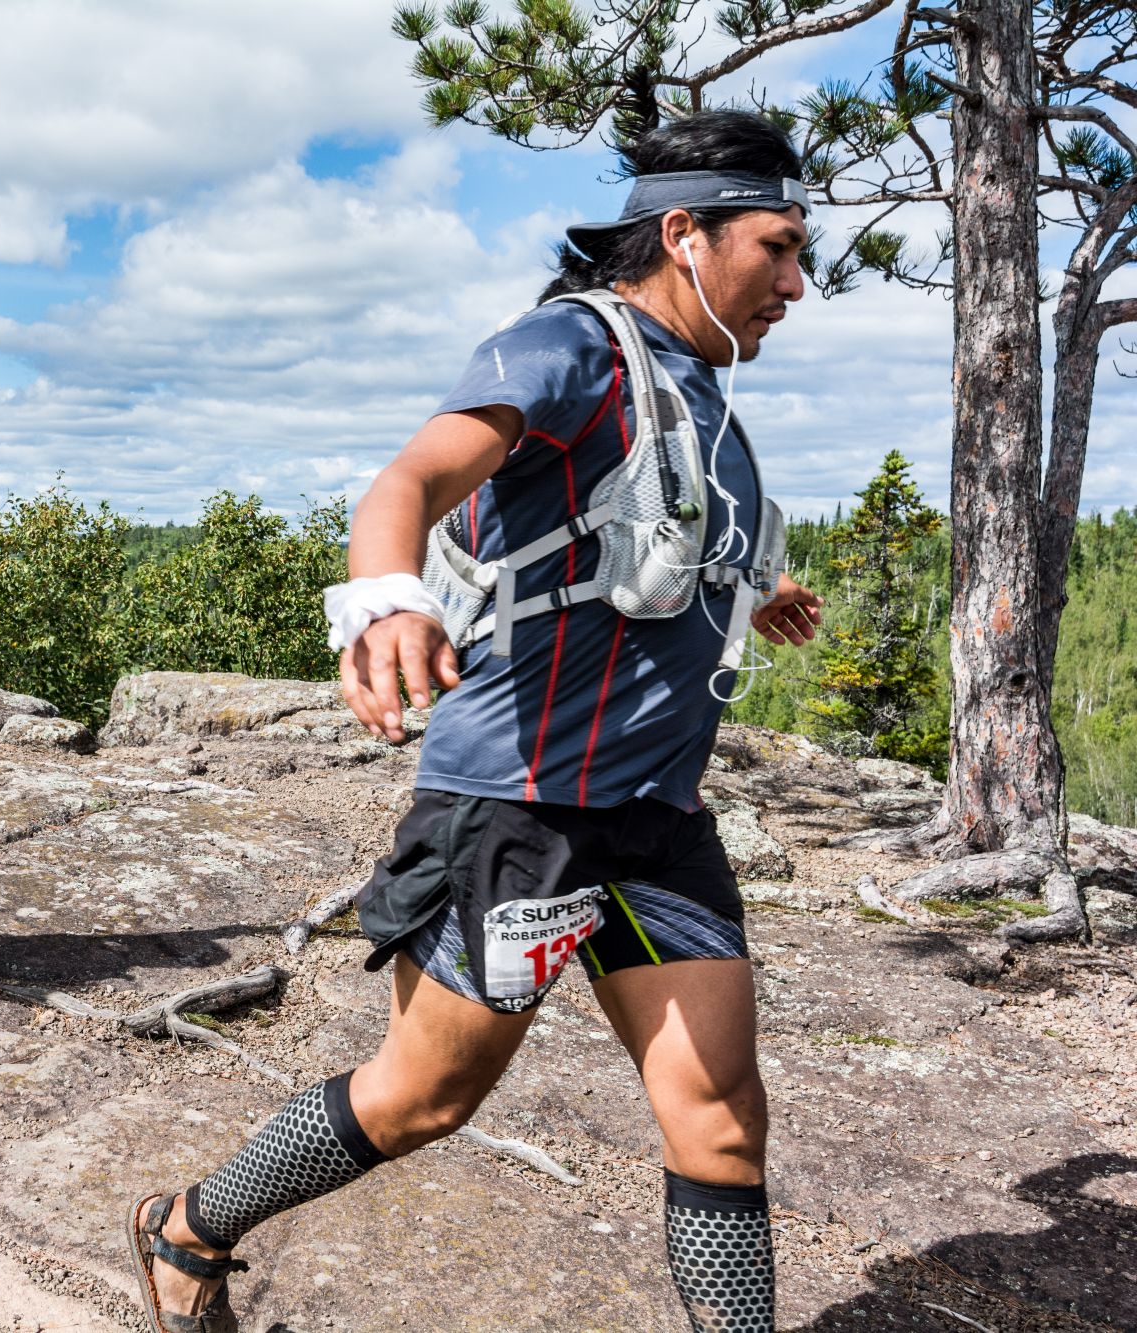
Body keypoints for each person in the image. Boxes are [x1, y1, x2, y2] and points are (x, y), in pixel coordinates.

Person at [125, 110, 825, 1333]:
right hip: (519, 806)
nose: (795, 283)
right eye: (774, 247)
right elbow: (410, 479)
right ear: (682, 233)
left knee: (719, 1120)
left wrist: (756, 589)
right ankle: (187, 1226)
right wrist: (384, 598)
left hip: (654, 820)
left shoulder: (700, 394)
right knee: (422, 1098)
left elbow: (641, 541)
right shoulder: (567, 347)